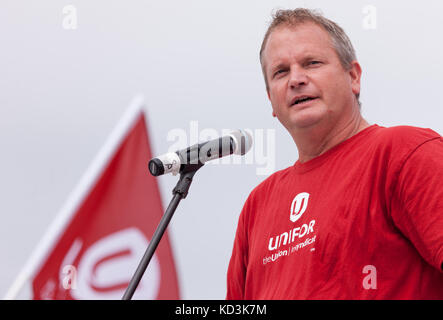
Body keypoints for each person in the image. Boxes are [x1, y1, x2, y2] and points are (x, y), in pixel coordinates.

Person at [226, 8, 443, 299]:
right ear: (271, 101)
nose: (296, 79)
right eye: (281, 72)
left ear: (353, 77)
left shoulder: (403, 152)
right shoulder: (257, 206)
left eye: (312, 63)